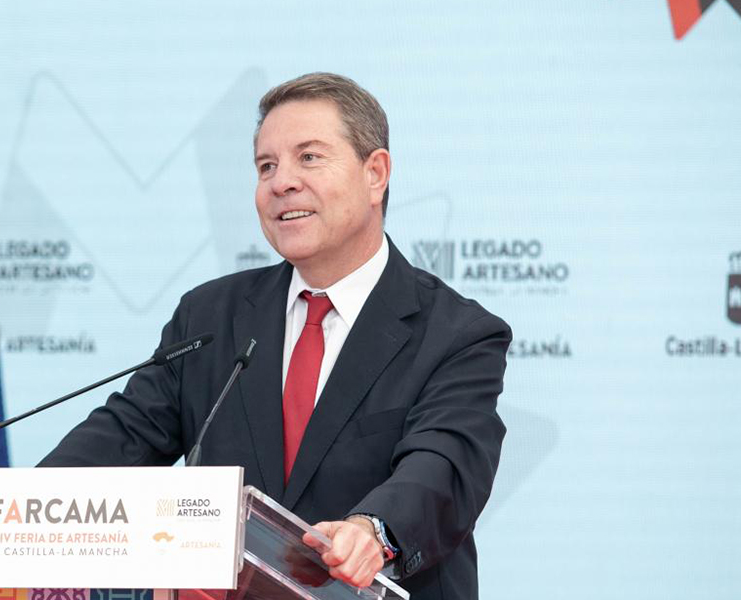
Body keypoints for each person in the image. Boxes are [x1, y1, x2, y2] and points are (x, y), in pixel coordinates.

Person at [39, 72, 511, 600]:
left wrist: (373, 531)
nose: (281, 182)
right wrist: (14, 514)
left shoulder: (457, 333)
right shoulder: (209, 316)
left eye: (309, 157)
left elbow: (444, 464)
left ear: (375, 173)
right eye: (266, 166)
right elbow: (124, 436)